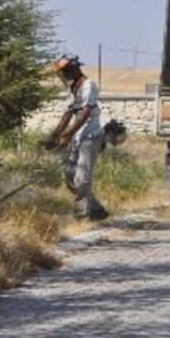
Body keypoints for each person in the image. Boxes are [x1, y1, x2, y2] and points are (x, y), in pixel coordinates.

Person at [43, 55, 109, 221]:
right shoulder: (73, 87)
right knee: (70, 176)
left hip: (91, 137)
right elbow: (68, 113)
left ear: (74, 69)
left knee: (82, 178)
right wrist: (53, 137)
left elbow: (85, 114)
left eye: (64, 72)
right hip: (78, 137)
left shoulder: (89, 86)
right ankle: (97, 210)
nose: (63, 76)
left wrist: (67, 136)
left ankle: (82, 213)